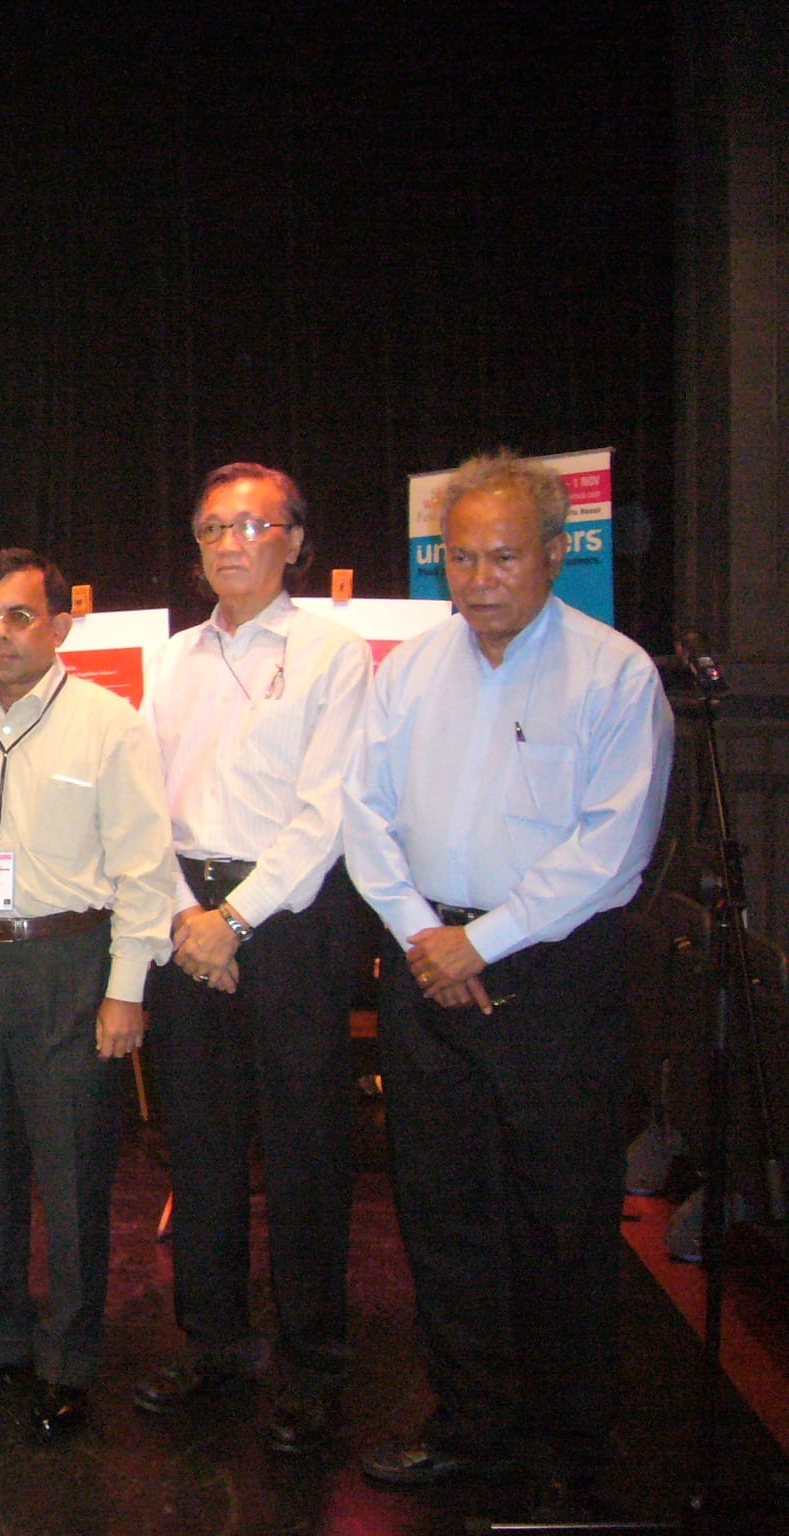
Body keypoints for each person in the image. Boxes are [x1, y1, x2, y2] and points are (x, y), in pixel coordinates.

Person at [343, 451, 673, 1507]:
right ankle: (469, 1424)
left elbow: (612, 848)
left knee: (560, 1217)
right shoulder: (407, 672)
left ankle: (569, 1444)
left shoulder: (615, 673)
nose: (479, 578)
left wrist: (480, 944)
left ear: (555, 554)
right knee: (442, 1214)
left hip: (551, 978)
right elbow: (363, 814)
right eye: (460, 557)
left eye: (503, 556)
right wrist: (421, 937)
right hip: (423, 965)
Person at [0, 548, 177, 1442]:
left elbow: (145, 868)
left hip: (70, 964)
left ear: (60, 626)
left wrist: (127, 989)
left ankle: (68, 1362)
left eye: (19, 617)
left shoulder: (109, 724)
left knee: (71, 1176)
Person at [133, 466, 371, 1455]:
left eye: (251, 525)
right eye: (210, 528)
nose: (228, 542)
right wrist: (188, 918)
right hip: (187, 919)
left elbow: (329, 810)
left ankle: (312, 1364)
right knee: (199, 1145)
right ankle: (214, 1342)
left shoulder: (333, 654)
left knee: (306, 1151)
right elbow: (144, 804)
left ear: (294, 541)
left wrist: (234, 920)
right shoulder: (171, 658)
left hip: (292, 923)